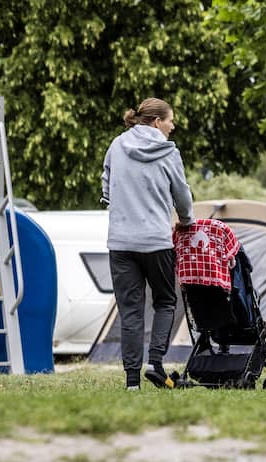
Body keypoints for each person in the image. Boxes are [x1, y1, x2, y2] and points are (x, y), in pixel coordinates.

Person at [100, 97, 193, 390]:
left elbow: (106, 185)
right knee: (165, 301)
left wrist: (119, 208)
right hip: (156, 241)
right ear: (156, 122)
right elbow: (182, 194)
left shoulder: (117, 146)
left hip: (121, 242)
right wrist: (187, 220)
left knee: (130, 310)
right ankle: (154, 363)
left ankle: (131, 383)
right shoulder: (169, 152)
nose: (172, 126)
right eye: (170, 120)